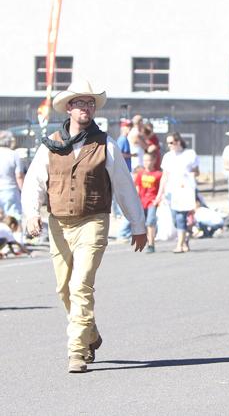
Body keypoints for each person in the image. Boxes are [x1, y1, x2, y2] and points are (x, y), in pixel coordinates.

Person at [21, 80, 146, 373]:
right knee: (63, 288)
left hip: (93, 220)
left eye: (90, 103)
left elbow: (124, 186)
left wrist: (137, 224)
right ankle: (90, 333)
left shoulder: (106, 144)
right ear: (69, 108)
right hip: (59, 224)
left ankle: (76, 351)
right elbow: (34, 182)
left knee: (80, 285)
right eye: (80, 103)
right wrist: (31, 214)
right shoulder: (51, 143)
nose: (86, 108)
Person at [155, 132, 199, 254]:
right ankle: (185, 238)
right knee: (175, 218)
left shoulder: (189, 154)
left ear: (178, 142)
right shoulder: (168, 157)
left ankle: (179, 244)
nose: (169, 145)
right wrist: (160, 194)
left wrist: (189, 175)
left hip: (185, 190)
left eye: (171, 142)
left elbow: (197, 171)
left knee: (181, 216)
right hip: (171, 191)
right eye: (168, 143)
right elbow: (164, 176)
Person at [135, 152, 162, 253]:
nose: (147, 163)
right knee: (144, 224)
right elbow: (137, 188)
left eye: (149, 160)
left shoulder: (158, 174)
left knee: (150, 222)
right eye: (145, 160)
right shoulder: (140, 174)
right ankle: (148, 240)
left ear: (154, 160)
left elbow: (161, 189)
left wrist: (158, 199)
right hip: (142, 202)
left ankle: (151, 244)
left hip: (152, 201)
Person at [114, 119, 133, 241]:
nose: (129, 129)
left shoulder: (125, 139)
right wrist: (133, 155)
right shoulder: (122, 139)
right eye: (127, 126)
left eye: (130, 126)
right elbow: (119, 153)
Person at [0, 130, 24, 219]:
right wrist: (24, 191)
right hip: (10, 190)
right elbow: (19, 176)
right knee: (14, 217)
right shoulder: (14, 154)